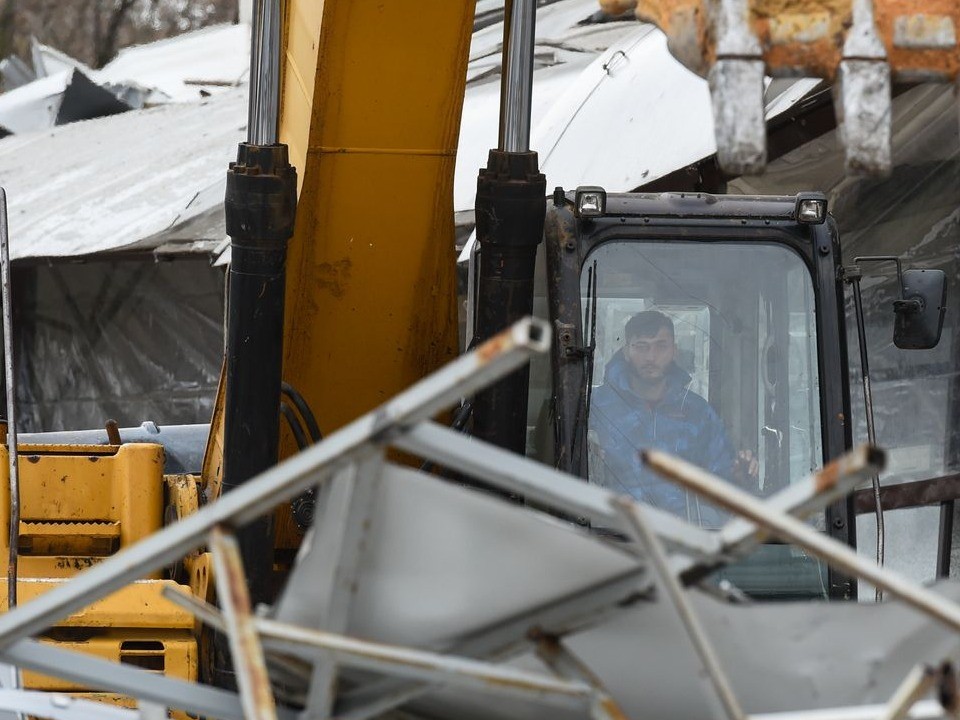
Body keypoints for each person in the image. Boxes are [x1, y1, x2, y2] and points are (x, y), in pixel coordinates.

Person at [589, 310, 756, 526]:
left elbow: (722, 481)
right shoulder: (596, 406)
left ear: (674, 351)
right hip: (610, 534)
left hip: (685, 537)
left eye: (661, 346)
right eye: (641, 346)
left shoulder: (697, 412)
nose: (651, 357)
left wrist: (740, 475)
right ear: (626, 351)